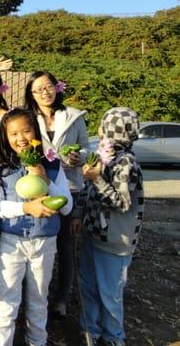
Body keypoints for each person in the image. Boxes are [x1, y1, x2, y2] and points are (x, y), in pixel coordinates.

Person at [0, 108, 73, 346]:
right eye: (13, 133)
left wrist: (46, 180)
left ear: (36, 132)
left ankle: (37, 341)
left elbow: (67, 207)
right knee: (6, 302)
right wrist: (25, 209)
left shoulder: (52, 164)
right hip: (11, 242)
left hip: (44, 242)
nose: (21, 138)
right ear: (5, 137)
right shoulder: (1, 166)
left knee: (38, 300)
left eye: (26, 131)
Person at [71, 107, 144, 346]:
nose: (100, 131)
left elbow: (121, 203)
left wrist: (96, 178)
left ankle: (114, 338)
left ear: (114, 130)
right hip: (94, 235)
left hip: (115, 242)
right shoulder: (105, 156)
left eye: (104, 126)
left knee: (110, 295)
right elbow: (88, 191)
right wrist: (79, 214)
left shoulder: (126, 163)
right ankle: (90, 332)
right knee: (88, 286)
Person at [24, 71, 90, 319]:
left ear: (57, 88)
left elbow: (85, 145)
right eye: (38, 89)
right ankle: (35, 297)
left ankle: (61, 298)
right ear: (31, 94)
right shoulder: (28, 119)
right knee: (37, 244)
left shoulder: (73, 116)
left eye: (48, 86)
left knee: (65, 245)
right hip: (39, 187)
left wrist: (79, 156)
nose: (45, 92)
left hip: (70, 187)